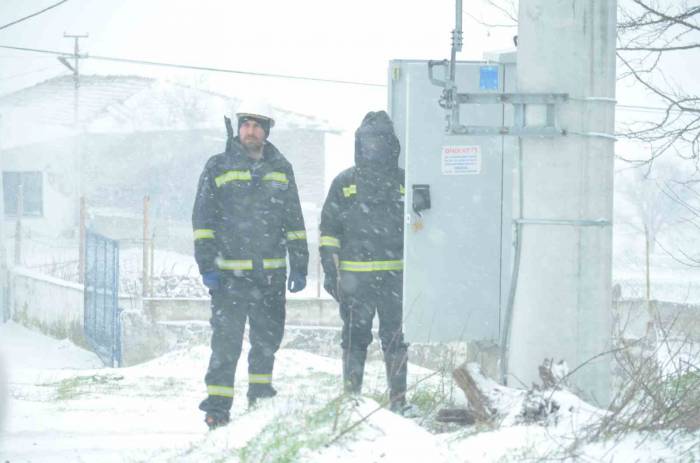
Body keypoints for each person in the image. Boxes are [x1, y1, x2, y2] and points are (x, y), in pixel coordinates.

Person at [192, 99, 309, 429]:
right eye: (245, 124)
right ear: (238, 128)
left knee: (267, 341)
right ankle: (217, 407)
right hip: (229, 277)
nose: (251, 130)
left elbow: (294, 221)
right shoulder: (218, 166)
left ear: (267, 131)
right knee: (226, 343)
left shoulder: (281, 170)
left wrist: (300, 264)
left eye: (257, 125)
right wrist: (207, 266)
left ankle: (260, 394)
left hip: (270, 276)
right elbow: (203, 221)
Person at [319, 110, 410, 414]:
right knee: (354, 340)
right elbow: (329, 232)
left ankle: (399, 403)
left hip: (395, 282)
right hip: (355, 284)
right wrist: (332, 274)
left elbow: (420, 230)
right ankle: (351, 402)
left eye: (380, 141)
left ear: (391, 144)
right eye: (368, 141)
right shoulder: (344, 182)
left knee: (396, 341)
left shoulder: (404, 183)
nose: (374, 147)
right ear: (359, 143)